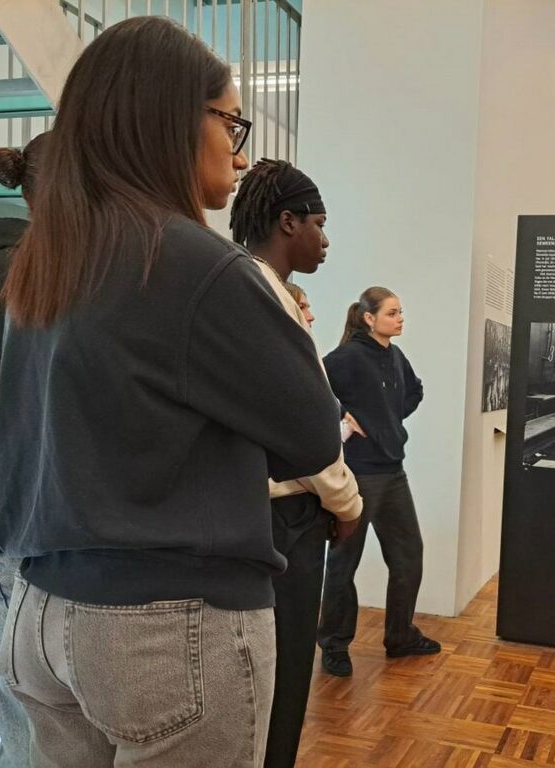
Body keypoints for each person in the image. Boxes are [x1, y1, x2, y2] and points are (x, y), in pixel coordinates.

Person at [0, 18, 344, 766]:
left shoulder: (48, 259)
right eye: (229, 122)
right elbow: (314, 434)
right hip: (166, 624)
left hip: (40, 611)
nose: (238, 153)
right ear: (173, 120)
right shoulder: (199, 266)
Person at [229, 159, 363, 768]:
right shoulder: (270, 298)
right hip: (287, 517)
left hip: (251, 511)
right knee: (281, 681)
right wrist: (347, 503)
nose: (325, 239)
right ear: (288, 222)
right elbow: (307, 431)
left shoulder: (246, 287)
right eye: (319, 224)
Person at [0, 133, 49, 768]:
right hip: (5, 548)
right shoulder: (11, 281)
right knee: (39, 739)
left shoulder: (0, 271)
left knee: (26, 731)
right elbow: (15, 435)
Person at [317, 287, 439, 676]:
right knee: (343, 563)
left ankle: (400, 637)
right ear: (369, 318)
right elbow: (313, 389)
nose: (400, 319)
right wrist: (344, 417)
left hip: (392, 472)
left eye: (400, 312)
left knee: (408, 555)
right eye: (392, 313)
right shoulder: (348, 357)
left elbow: (415, 391)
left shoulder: (395, 356)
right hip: (359, 475)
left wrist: (386, 419)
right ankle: (334, 645)